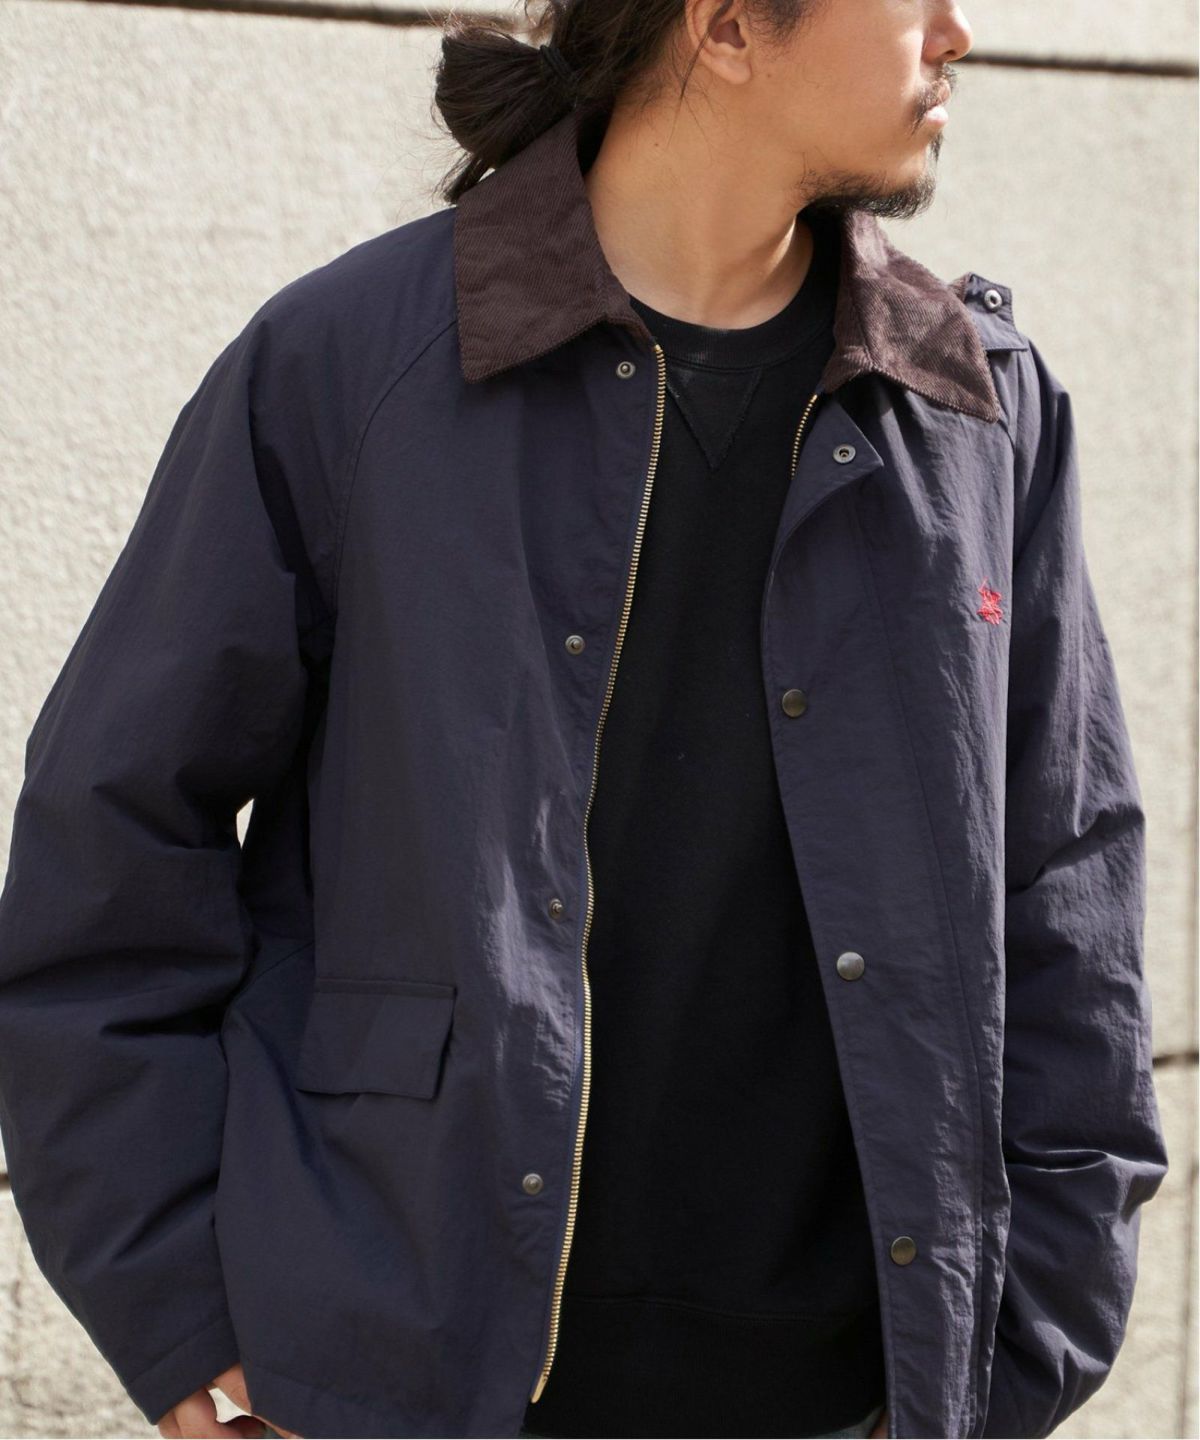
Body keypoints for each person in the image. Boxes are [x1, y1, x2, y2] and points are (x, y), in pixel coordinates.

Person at [0, 2, 1168, 1438]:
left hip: (858, 1396)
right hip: (409, 1384)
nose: (957, 31)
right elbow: (113, 837)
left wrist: (1024, 1336)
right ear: (727, 27)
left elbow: (1069, 885)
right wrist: (182, 1311)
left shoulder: (978, 407)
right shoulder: (352, 366)